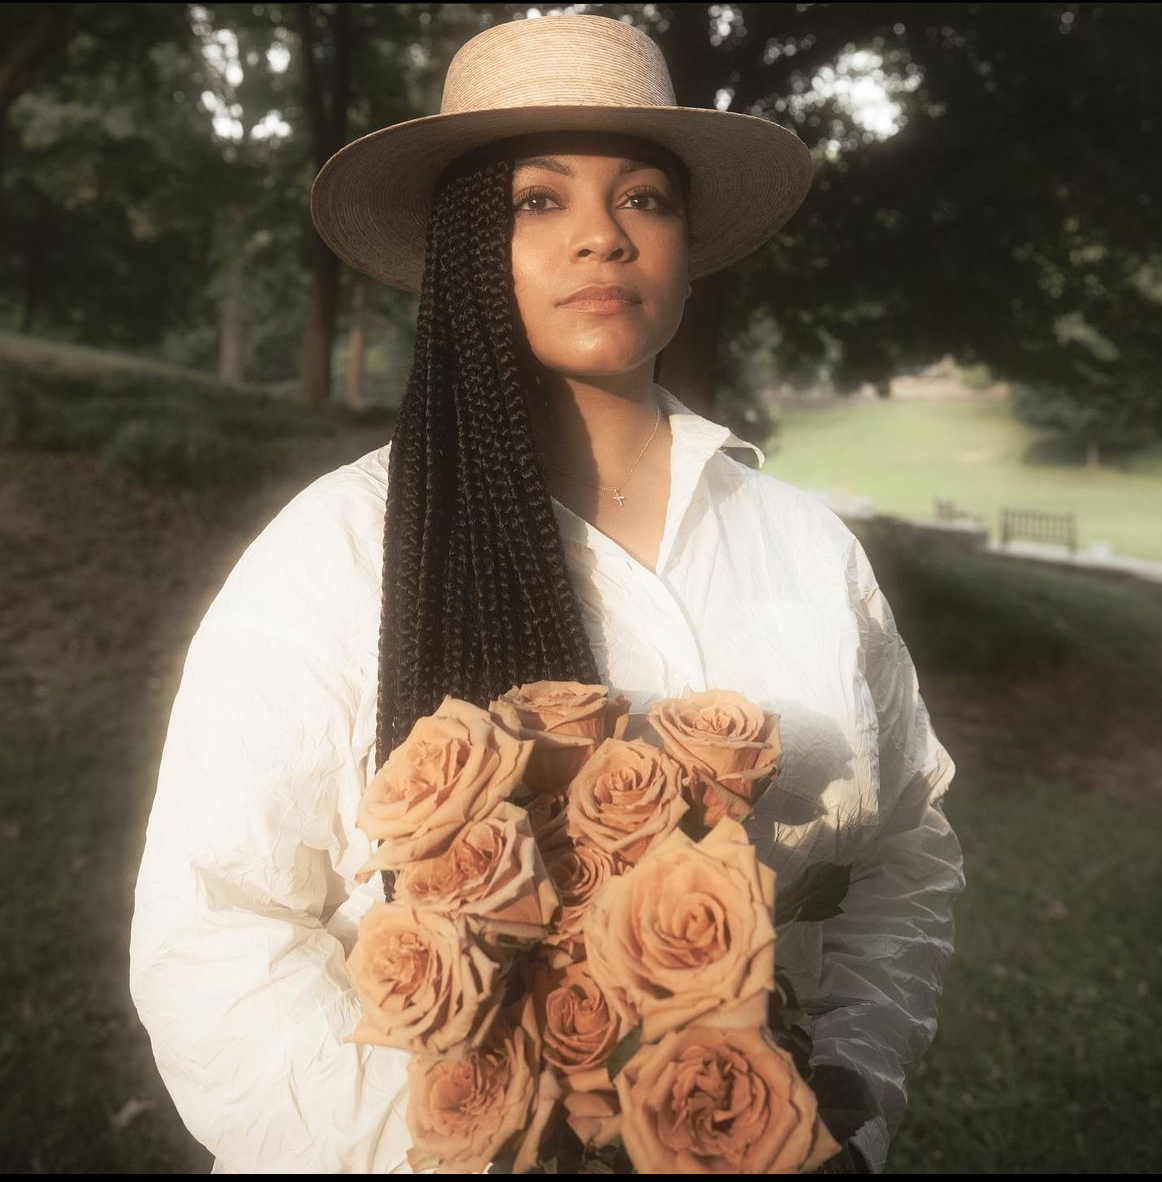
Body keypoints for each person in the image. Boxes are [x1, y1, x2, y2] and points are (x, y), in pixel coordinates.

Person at [128, 13, 965, 1175]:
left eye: (644, 200)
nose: (602, 240)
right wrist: (459, 1149)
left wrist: (844, 1108)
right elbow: (215, 922)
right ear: (467, 244)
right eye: (538, 201)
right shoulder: (335, 552)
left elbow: (903, 849)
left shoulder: (807, 548)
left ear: (682, 245)